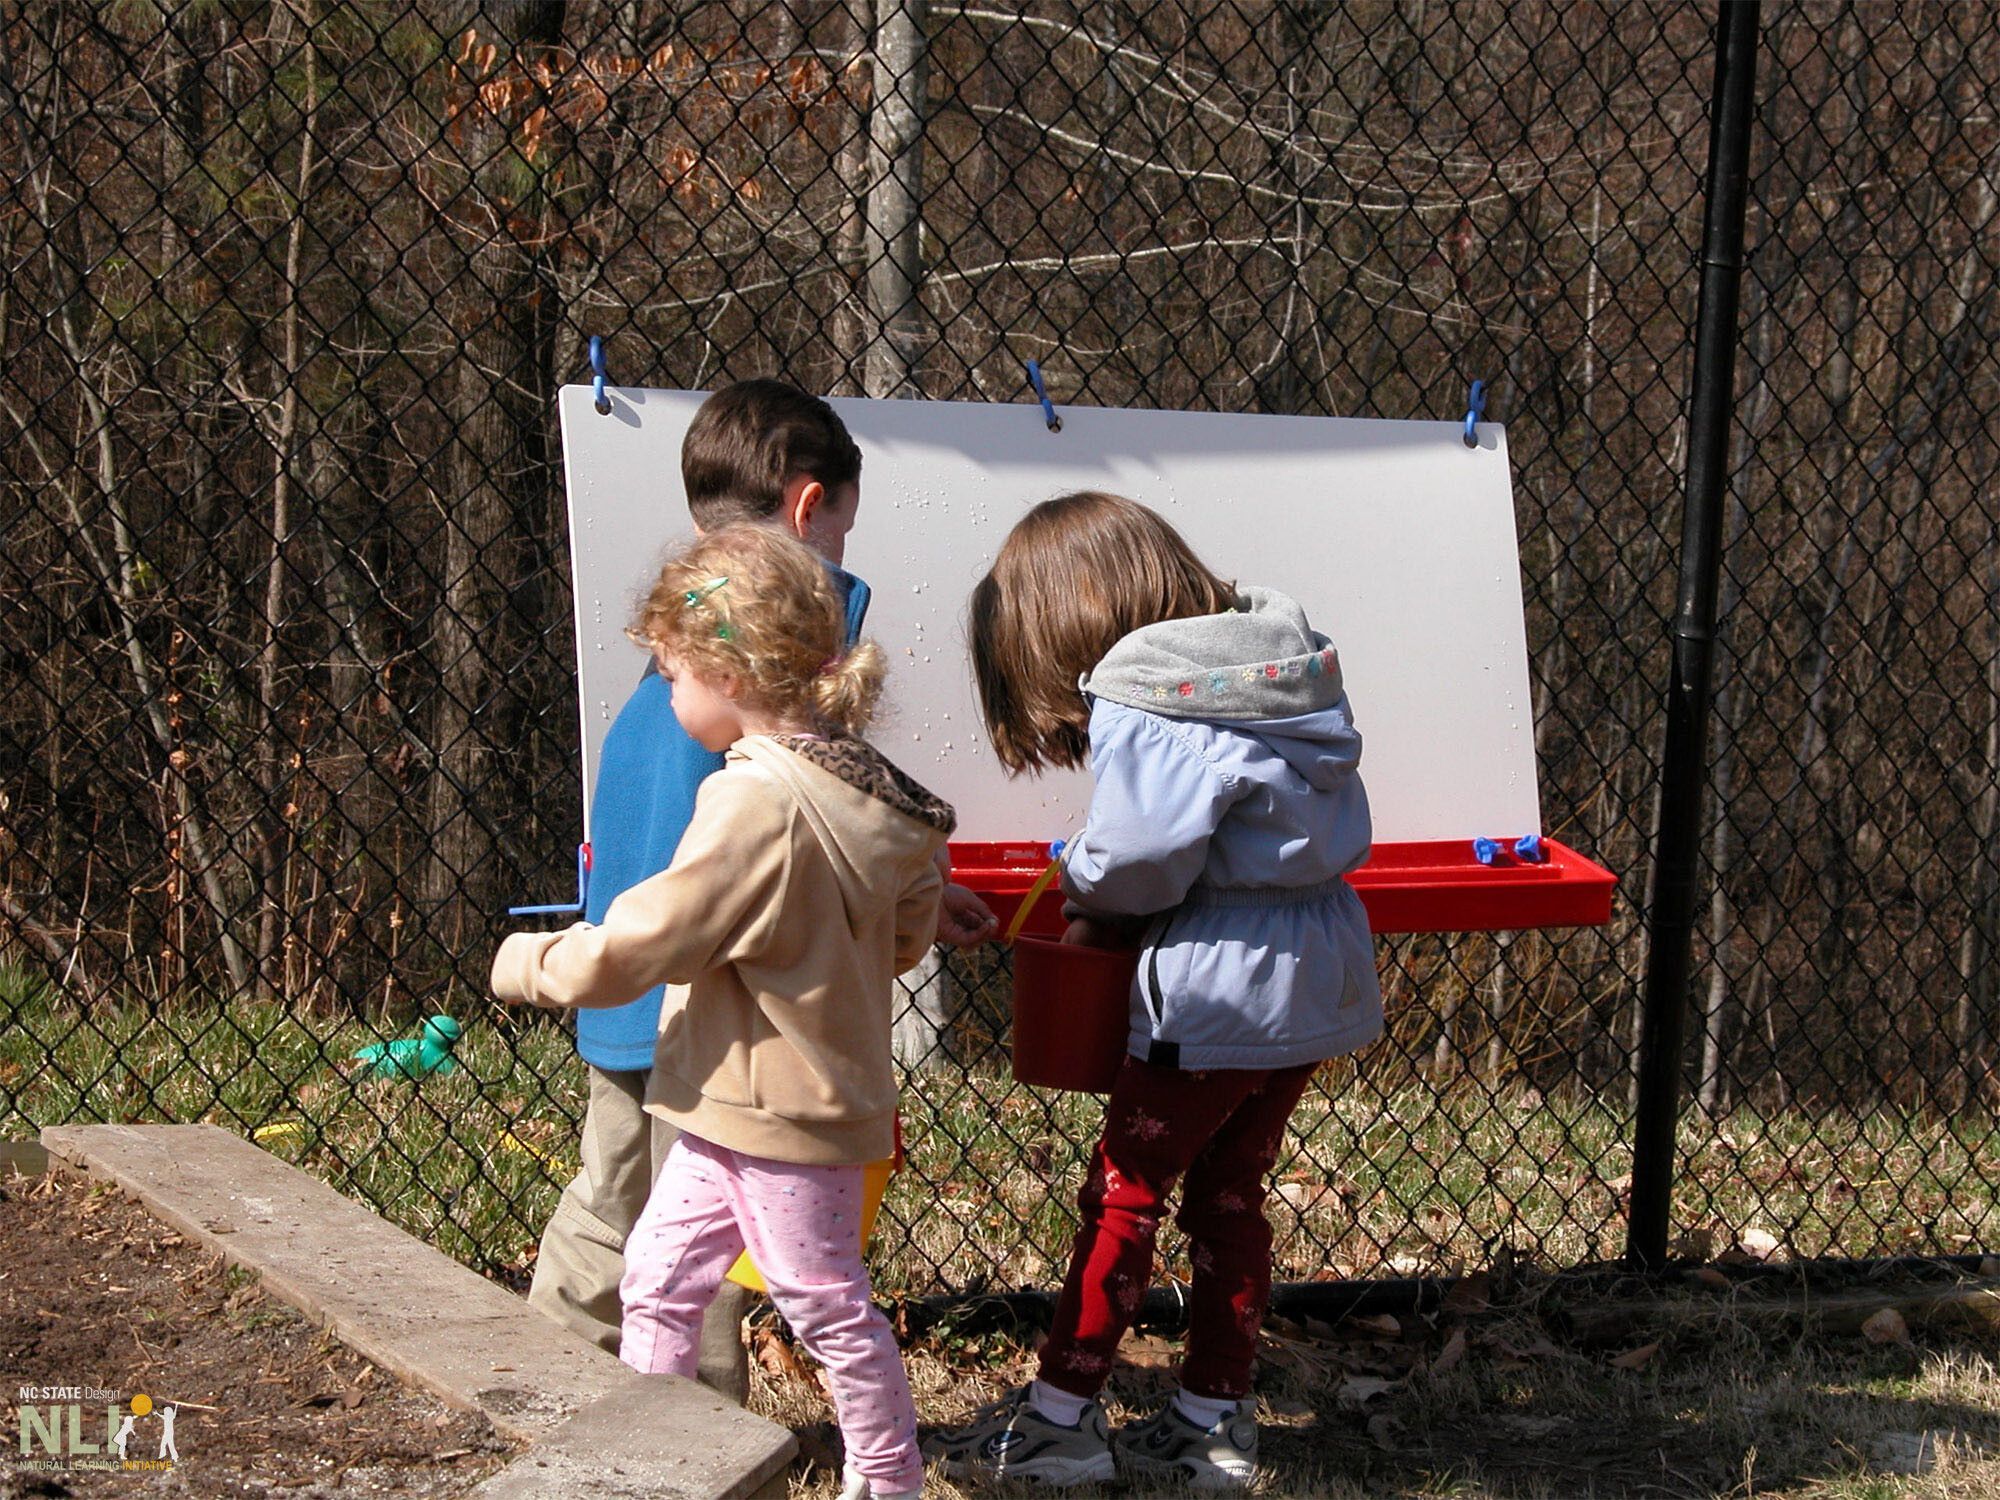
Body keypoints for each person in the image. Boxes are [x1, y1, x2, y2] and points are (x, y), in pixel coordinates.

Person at [527, 379, 996, 1397]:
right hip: (719, 1014)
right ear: (802, 505)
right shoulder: (785, 646)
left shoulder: (691, 627)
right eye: (839, 528)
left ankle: (540, 1388)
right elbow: (828, 798)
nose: (838, 558)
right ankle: (696, 1443)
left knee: (609, 1209)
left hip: (626, 977)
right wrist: (912, 878)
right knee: (696, 1255)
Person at [927, 492, 1384, 1490]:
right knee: (1229, 1195)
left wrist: (1083, 882)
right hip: (1313, 972)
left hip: (1214, 990)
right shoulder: (1276, 670)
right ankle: (1212, 1422)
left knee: (1123, 1196)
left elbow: (1139, 859)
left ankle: (1059, 1420)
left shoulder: (1151, 693)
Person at [495, 523, 949, 1500]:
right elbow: (904, 939)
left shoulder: (753, 804)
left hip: (787, 1122)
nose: (666, 694)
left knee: (821, 1301)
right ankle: (660, 1464)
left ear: (726, 673)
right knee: (656, 1277)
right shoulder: (876, 798)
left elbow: (648, 938)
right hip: (724, 1104)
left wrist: (531, 964)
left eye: (669, 674)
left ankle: (887, 1474)